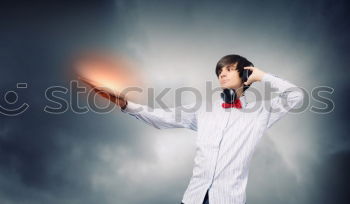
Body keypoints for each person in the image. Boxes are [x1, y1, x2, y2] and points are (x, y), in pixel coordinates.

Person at [80, 54, 304, 204]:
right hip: (192, 198)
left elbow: (296, 96)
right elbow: (161, 116)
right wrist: (123, 103)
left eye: (229, 69)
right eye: (219, 71)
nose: (222, 74)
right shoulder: (203, 108)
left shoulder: (260, 112)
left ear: (245, 75)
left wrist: (261, 76)